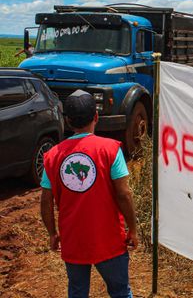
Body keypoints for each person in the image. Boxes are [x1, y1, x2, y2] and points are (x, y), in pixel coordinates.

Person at [40, 90, 138, 298]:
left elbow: (46, 202)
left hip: (73, 239)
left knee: (77, 292)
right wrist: (133, 229)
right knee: (120, 292)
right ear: (96, 117)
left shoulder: (52, 156)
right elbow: (124, 194)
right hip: (109, 238)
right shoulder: (110, 150)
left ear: (67, 121)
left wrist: (52, 233)